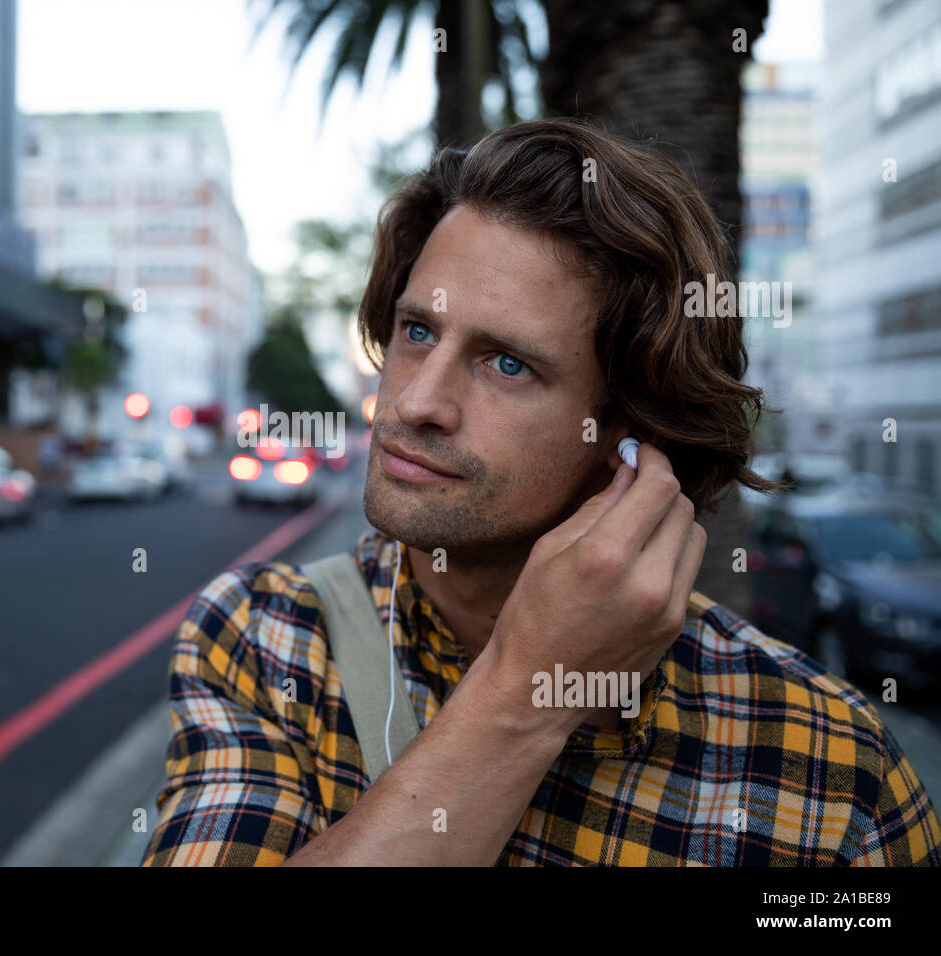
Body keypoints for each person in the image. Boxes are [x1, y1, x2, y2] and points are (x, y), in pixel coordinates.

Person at [140, 119, 941, 866]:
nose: (416, 401)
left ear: (632, 437)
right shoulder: (266, 637)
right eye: (418, 332)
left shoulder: (831, 770)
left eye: (508, 363)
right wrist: (526, 693)